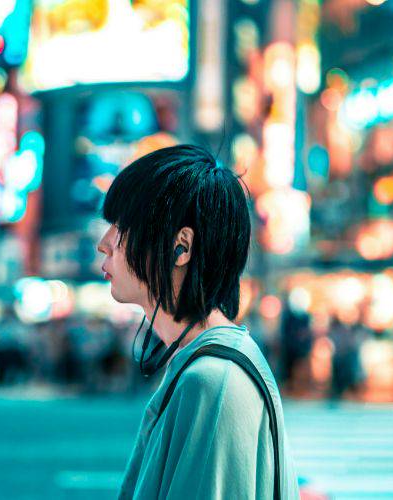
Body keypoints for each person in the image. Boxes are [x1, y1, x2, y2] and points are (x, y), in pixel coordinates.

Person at [97, 144, 299, 499]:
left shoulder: (213, 382)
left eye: (121, 227)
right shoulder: (204, 363)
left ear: (181, 247)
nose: (104, 244)